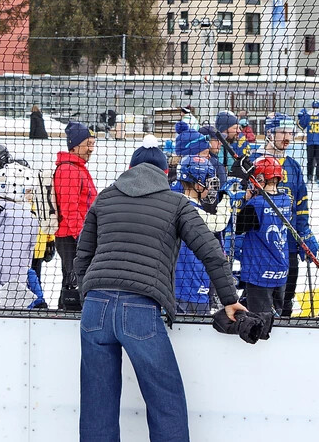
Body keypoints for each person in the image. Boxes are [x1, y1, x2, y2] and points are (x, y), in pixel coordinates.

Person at [73, 136, 247, 441]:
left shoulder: (105, 197)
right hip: (140, 307)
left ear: (129, 168)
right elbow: (211, 252)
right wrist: (230, 300)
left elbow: (83, 255)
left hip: (95, 307)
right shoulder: (176, 203)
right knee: (166, 401)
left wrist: (90, 293)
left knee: (97, 404)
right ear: (165, 172)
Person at [247, 113, 319, 316]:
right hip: (261, 246)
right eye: (283, 132)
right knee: (260, 302)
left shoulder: (293, 166)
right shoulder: (254, 162)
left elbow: (301, 203)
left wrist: (304, 233)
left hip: (289, 243)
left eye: (291, 132)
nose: (288, 137)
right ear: (270, 133)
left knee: (286, 299)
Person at [0, 163, 44, 309]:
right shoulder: (24, 217)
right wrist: (5, 298)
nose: (30, 195)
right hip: (2, 297)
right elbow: (9, 259)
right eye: (28, 190)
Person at [174, 155, 232, 315]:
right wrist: (228, 198)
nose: (210, 185)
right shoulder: (189, 209)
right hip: (190, 288)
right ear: (197, 184)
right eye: (207, 180)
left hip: (183, 286)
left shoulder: (178, 203)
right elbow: (218, 223)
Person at [235, 156, 292, 314]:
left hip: (259, 273)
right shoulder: (286, 200)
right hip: (280, 270)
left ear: (260, 178)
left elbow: (237, 227)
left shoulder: (256, 205)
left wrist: (244, 200)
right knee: (276, 315)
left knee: (259, 318)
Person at [54, 122, 97, 311]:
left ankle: (69, 307)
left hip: (75, 234)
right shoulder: (69, 170)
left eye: (93, 144)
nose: (91, 149)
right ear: (75, 145)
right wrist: (81, 237)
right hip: (71, 237)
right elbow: (69, 209)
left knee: (74, 278)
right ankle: (68, 310)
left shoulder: (77, 168)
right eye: (88, 143)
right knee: (73, 279)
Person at [298, 101, 319, 186]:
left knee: (310, 161)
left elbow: (300, 125)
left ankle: (309, 178)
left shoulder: (308, 116)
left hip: (310, 142)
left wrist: (300, 116)